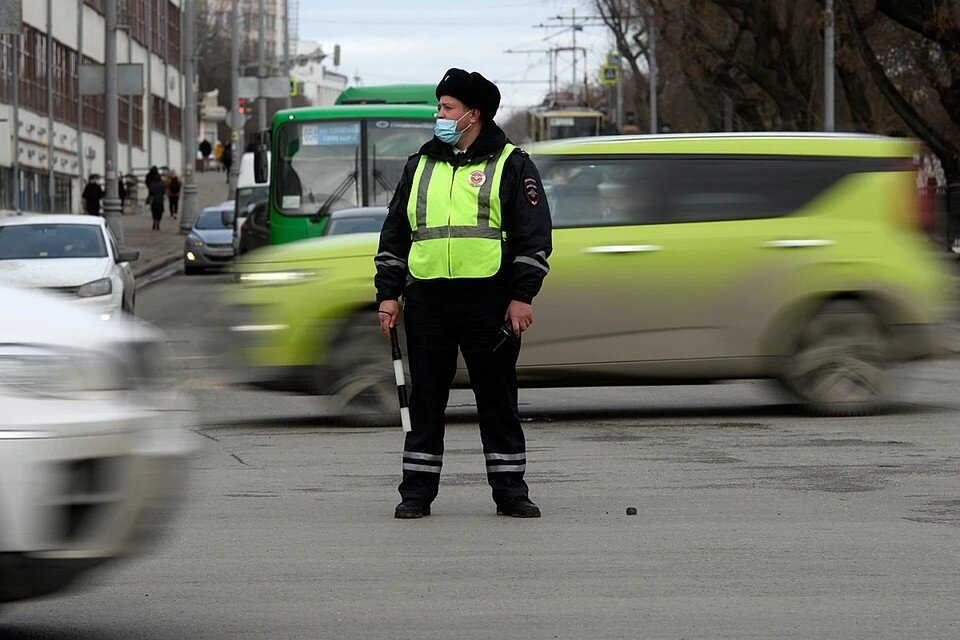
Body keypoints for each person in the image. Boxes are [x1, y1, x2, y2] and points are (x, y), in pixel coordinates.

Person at [375, 68, 552, 520]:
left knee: (497, 400)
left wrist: (521, 296)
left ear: (473, 116)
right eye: (440, 107)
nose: (440, 114)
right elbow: (395, 233)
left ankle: (511, 491)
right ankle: (415, 493)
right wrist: (388, 294)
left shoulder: (512, 163)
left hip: (489, 301)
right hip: (429, 302)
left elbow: (534, 238)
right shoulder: (420, 165)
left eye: (447, 108)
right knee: (426, 400)